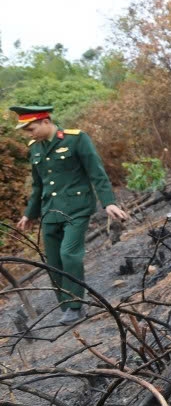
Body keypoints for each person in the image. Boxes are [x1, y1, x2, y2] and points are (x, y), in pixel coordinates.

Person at [12, 105, 128, 325]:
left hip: (77, 208)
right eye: (27, 132)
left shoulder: (76, 139)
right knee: (53, 261)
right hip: (50, 211)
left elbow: (97, 173)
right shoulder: (35, 148)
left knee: (69, 254)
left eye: (31, 129)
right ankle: (66, 305)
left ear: (46, 122)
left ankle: (75, 305)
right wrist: (30, 214)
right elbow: (38, 186)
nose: (29, 134)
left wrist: (108, 203)